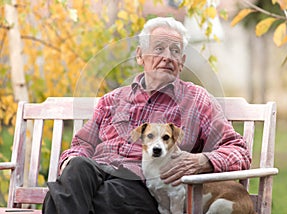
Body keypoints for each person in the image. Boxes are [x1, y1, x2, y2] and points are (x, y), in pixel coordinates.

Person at [42, 16, 251, 214]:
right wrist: (71, 167)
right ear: (140, 55)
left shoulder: (196, 100)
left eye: (175, 51)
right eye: (159, 48)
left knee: (61, 198)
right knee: (78, 167)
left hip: (143, 185)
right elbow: (81, 145)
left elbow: (238, 151)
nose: (167, 57)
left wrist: (203, 160)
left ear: (182, 61)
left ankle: (65, 195)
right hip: (95, 173)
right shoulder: (112, 100)